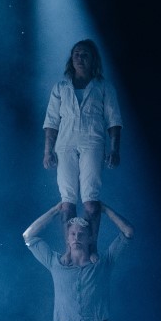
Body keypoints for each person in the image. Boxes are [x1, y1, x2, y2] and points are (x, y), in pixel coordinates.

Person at [42, 39, 123, 241]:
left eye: (85, 54)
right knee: (67, 203)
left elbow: (114, 120)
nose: (80, 58)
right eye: (76, 54)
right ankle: (70, 250)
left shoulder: (104, 87)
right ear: (71, 59)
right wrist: (47, 151)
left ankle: (91, 246)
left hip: (92, 143)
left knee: (91, 203)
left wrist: (114, 149)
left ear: (93, 59)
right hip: (65, 145)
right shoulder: (60, 87)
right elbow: (51, 121)